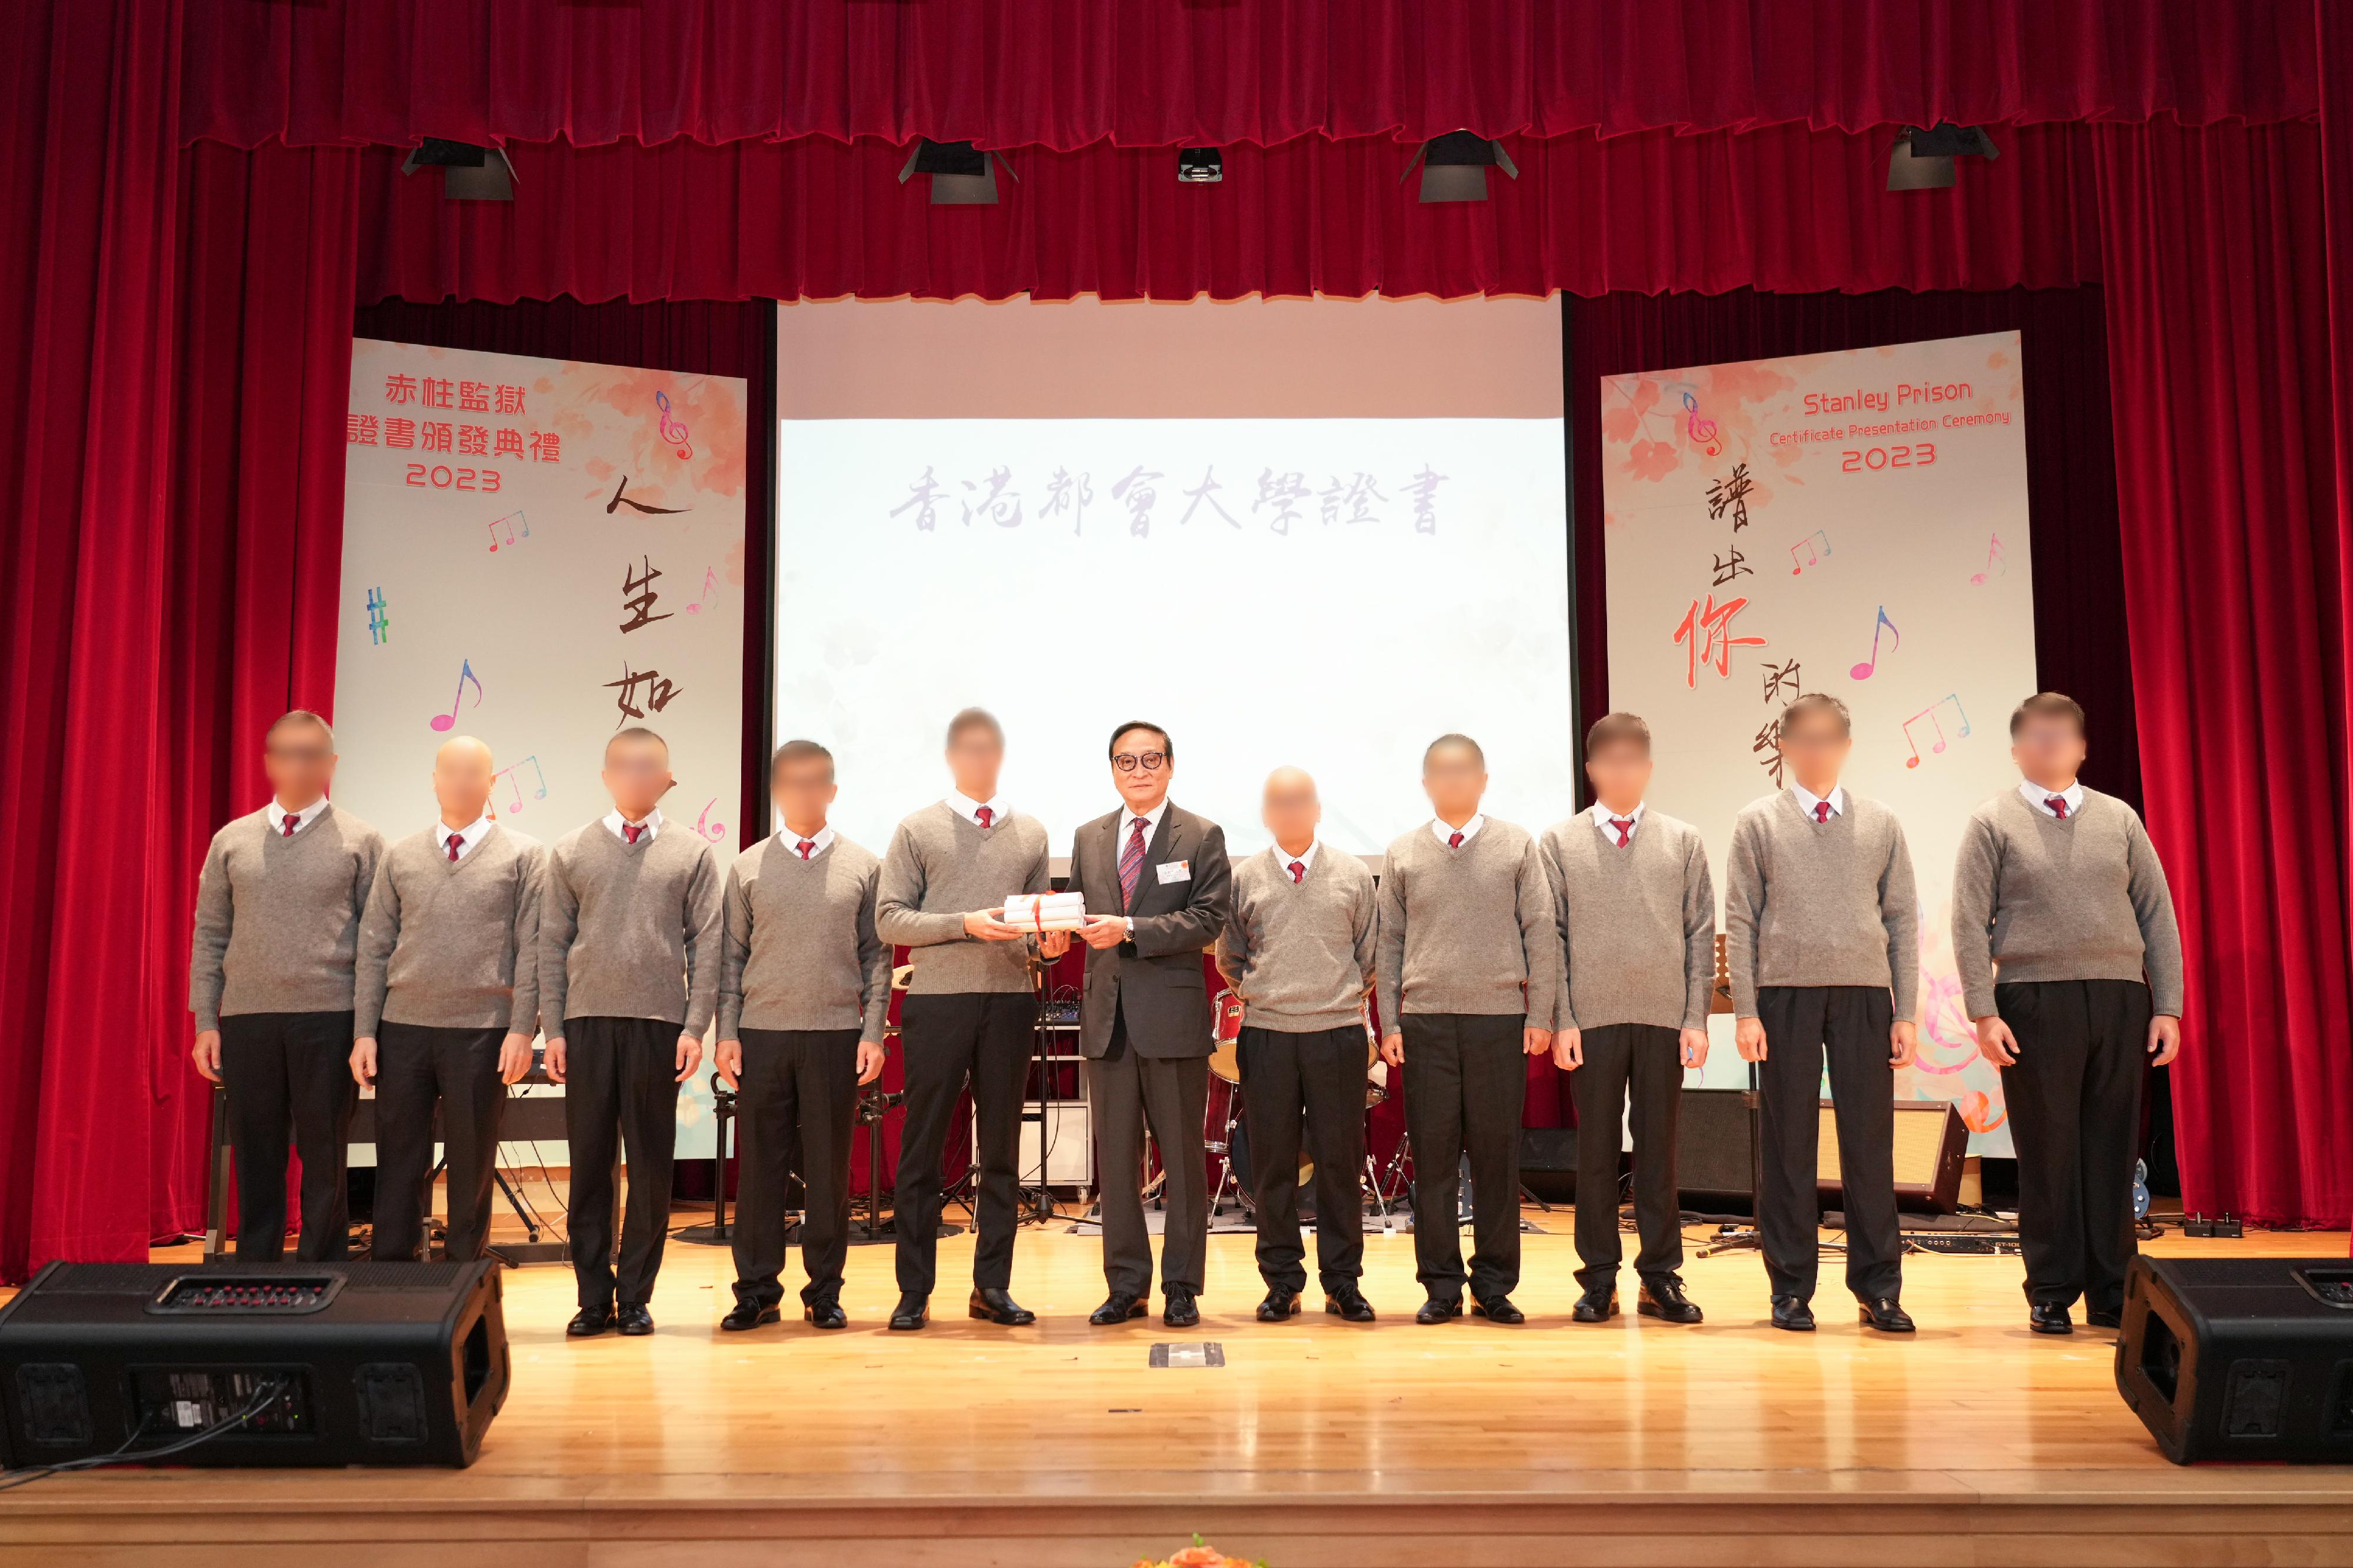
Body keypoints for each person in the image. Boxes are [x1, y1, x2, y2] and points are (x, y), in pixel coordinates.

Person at [1953, 692, 2184, 1335]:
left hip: (2118, 995)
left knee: (2110, 1149)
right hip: (2032, 998)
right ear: (2016, 748)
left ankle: (2114, 1289)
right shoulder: (1991, 822)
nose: (2049, 742)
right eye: (2035, 733)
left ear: (2082, 747)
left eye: (2062, 734)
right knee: (2047, 1149)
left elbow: (2156, 914)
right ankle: (2051, 1289)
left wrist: (2167, 1003)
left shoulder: (2119, 819)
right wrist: (1982, 1010)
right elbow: (1969, 922)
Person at [1723, 692, 1919, 1335]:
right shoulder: (1758, 821)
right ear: (1783, 745)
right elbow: (1741, 920)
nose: (1817, 748)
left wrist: (1905, 1010)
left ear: (1846, 744)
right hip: (1785, 995)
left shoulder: (1882, 821)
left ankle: (1878, 1287)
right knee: (1788, 1147)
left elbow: (1901, 921)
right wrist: (1746, 1010)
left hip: (1865, 994)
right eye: (1804, 737)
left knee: (1869, 1144)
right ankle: (1789, 1289)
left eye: (1829, 737)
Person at [874, 708, 1060, 1332]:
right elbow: (890, 919)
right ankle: (913, 1290)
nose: (980, 758)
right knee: (922, 1148)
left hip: (1010, 999)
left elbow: (1033, 928)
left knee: (1003, 1148)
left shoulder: (1031, 832)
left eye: (990, 748)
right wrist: (963, 923)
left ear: (1001, 755)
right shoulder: (916, 828)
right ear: (951, 756)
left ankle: (991, 1286)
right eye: (969, 749)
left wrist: (1046, 947)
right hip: (939, 1001)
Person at [540, 728, 722, 1338]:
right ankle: (593, 1296)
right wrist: (554, 1027)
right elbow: (550, 944)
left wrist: (695, 1024)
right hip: (585, 1024)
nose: (636, 775)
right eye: (625, 765)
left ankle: (636, 1296)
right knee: (590, 1165)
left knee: (649, 1167)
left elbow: (708, 944)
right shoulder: (569, 850)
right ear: (606, 775)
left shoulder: (693, 852)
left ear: (668, 778)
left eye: (650, 767)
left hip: (658, 1025)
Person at [1375, 734, 1557, 1326]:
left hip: (1499, 1020)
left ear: (1483, 779)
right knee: (1432, 1160)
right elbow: (1388, 945)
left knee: (1496, 1159)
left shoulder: (1517, 845)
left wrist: (1541, 1014)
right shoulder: (1402, 852)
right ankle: (1441, 1286)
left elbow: (1541, 930)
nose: (1452, 782)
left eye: (1464, 772)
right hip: (1425, 1023)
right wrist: (1389, 1021)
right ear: (1426, 784)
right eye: (1440, 774)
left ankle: (1495, 1285)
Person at [188, 710, 384, 1261]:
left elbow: (376, 946)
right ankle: (256, 1270)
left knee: (326, 1154)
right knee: (256, 1152)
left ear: (331, 763)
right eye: (287, 753)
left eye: (311, 753)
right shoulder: (232, 840)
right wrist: (207, 1019)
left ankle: (323, 1271)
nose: (299, 764)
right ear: (269, 761)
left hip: (329, 1017)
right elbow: (209, 936)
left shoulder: (364, 841)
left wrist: (367, 1029)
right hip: (248, 1018)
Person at [1538, 713, 1713, 1327]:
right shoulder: (1557, 843)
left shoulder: (1683, 839)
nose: (1620, 770)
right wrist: (1562, 1018)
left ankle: (1660, 1276)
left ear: (1648, 766)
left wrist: (1695, 1017)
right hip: (1590, 1020)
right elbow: (1549, 939)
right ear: (1590, 770)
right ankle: (1598, 1279)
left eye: (1631, 759)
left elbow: (1698, 936)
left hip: (1664, 1018)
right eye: (1607, 760)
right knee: (1594, 1152)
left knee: (1659, 1151)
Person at [714, 740, 889, 1332]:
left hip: (836, 1035)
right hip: (760, 1034)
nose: (804, 792)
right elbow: (729, 958)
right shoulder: (746, 865)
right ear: (776, 791)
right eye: (792, 782)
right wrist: (727, 1033)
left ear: (832, 791)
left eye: (816, 782)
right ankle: (755, 1290)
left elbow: (877, 959)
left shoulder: (864, 865)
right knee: (760, 1169)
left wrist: (872, 1031)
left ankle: (825, 1291)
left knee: (828, 1171)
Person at [350, 736, 543, 1263]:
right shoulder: (401, 855)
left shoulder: (525, 856)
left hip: (483, 1029)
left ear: (492, 783)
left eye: (472, 772)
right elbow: (373, 949)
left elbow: (536, 950)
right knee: (398, 1156)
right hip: (403, 1027)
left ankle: (464, 1271)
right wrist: (365, 1031)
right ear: (434, 780)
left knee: (472, 1159)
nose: (460, 782)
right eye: (449, 771)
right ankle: (391, 1266)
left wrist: (522, 1027)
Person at [1066, 720, 1233, 1329]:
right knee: (1115, 1159)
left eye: (1150, 759)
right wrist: (1058, 933)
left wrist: (1132, 929)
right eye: (1126, 760)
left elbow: (1209, 919)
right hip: (1108, 1021)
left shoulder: (1201, 833)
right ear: (1112, 768)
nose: (1138, 770)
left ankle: (1182, 1285)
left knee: (1184, 1162)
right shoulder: (1089, 836)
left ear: (1170, 765)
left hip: (1172, 1019)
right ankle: (1126, 1285)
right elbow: (1079, 912)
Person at [1214, 767, 1380, 1324]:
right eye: (1277, 803)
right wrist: (1269, 998)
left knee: (1339, 1165)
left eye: (1299, 801)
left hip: (1337, 1036)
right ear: (1265, 814)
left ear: (1317, 808)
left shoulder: (1354, 875)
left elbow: (1371, 955)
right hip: (1267, 1037)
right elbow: (1229, 957)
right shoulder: (1245, 878)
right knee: (1273, 1168)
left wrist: (1332, 999)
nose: (1289, 811)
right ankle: (1282, 1281)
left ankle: (1343, 1283)